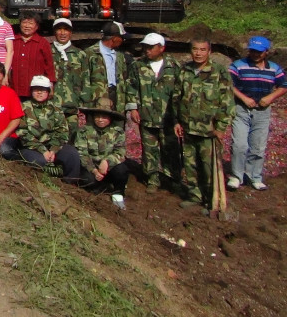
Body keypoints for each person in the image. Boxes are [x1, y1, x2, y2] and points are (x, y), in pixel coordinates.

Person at [172, 39, 234, 210]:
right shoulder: (185, 70)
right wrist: (177, 121)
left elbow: (227, 102)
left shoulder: (219, 72)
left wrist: (221, 128)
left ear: (209, 51)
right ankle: (195, 196)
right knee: (190, 165)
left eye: (202, 50)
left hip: (209, 131)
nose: (198, 53)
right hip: (188, 128)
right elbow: (177, 98)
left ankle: (211, 198)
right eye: (195, 49)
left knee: (209, 168)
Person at [122, 32, 181, 193]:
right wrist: (133, 107)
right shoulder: (138, 66)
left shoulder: (173, 66)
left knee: (170, 149)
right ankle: (152, 178)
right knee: (149, 150)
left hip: (168, 117)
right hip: (147, 115)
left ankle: (172, 178)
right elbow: (131, 87)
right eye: (145, 47)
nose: (147, 50)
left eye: (151, 47)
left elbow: (180, 91)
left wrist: (179, 116)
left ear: (161, 48)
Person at [227, 36, 286, 191]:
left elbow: (284, 85)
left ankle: (254, 176)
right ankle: (236, 176)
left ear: (266, 52)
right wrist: (244, 98)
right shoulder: (238, 66)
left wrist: (271, 97)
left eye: (259, 52)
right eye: (253, 51)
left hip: (262, 111)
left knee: (258, 146)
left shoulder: (274, 68)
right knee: (239, 144)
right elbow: (227, 84)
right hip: (241, 108)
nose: (255, 54)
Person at [10, 76, 80, 181]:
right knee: (39, 162)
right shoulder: (23, 107)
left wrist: (53, 149)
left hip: (52, 147)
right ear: (31, 91)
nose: (39, 92)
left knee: (72, 154)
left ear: (48, 92)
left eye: (43, 90)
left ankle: (71, 184)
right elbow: (22, 133)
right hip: (31, 147)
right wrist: (43, 151)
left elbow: (62, 131)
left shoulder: (55, 109)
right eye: (36, 89)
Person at [75, 97, 131, 209]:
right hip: (92, 169)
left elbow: (120, 151)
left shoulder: (117, 132)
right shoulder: (84, 131)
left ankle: (118, 194)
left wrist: (107, 162)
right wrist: (94, 170)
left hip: (109, 169)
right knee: (86, 180)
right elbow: (82, 153)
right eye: (97, 116)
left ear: (110, 118)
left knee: (122, 170)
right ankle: (99, 187)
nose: (100, 119)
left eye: (104, 117)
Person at [49, 17, 96, 142]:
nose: (63, 33)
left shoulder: (80, 54)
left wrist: (85, 104)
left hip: (72, 107)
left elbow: (85, 80)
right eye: (59, 29)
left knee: (72, 138)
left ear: (71, 32)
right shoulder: (47, 51)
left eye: (66, 30)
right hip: (51, 106)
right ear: (54, 32)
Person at [85, 21, 130, 115]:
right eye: (122, 38)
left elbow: (125, 77)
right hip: (98, 99)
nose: (123, 41)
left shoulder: (120, 56)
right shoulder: (90, 54)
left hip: (117, 98)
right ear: (114, 38)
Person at [10, 13, 53, 99]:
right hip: (14, 88)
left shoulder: (43, 43)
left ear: (37, 26)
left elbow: (49, 66)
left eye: (31, 23)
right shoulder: (12, 41)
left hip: (35, 90)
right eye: (24, 22)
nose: (27, 26)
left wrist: (51, 84)